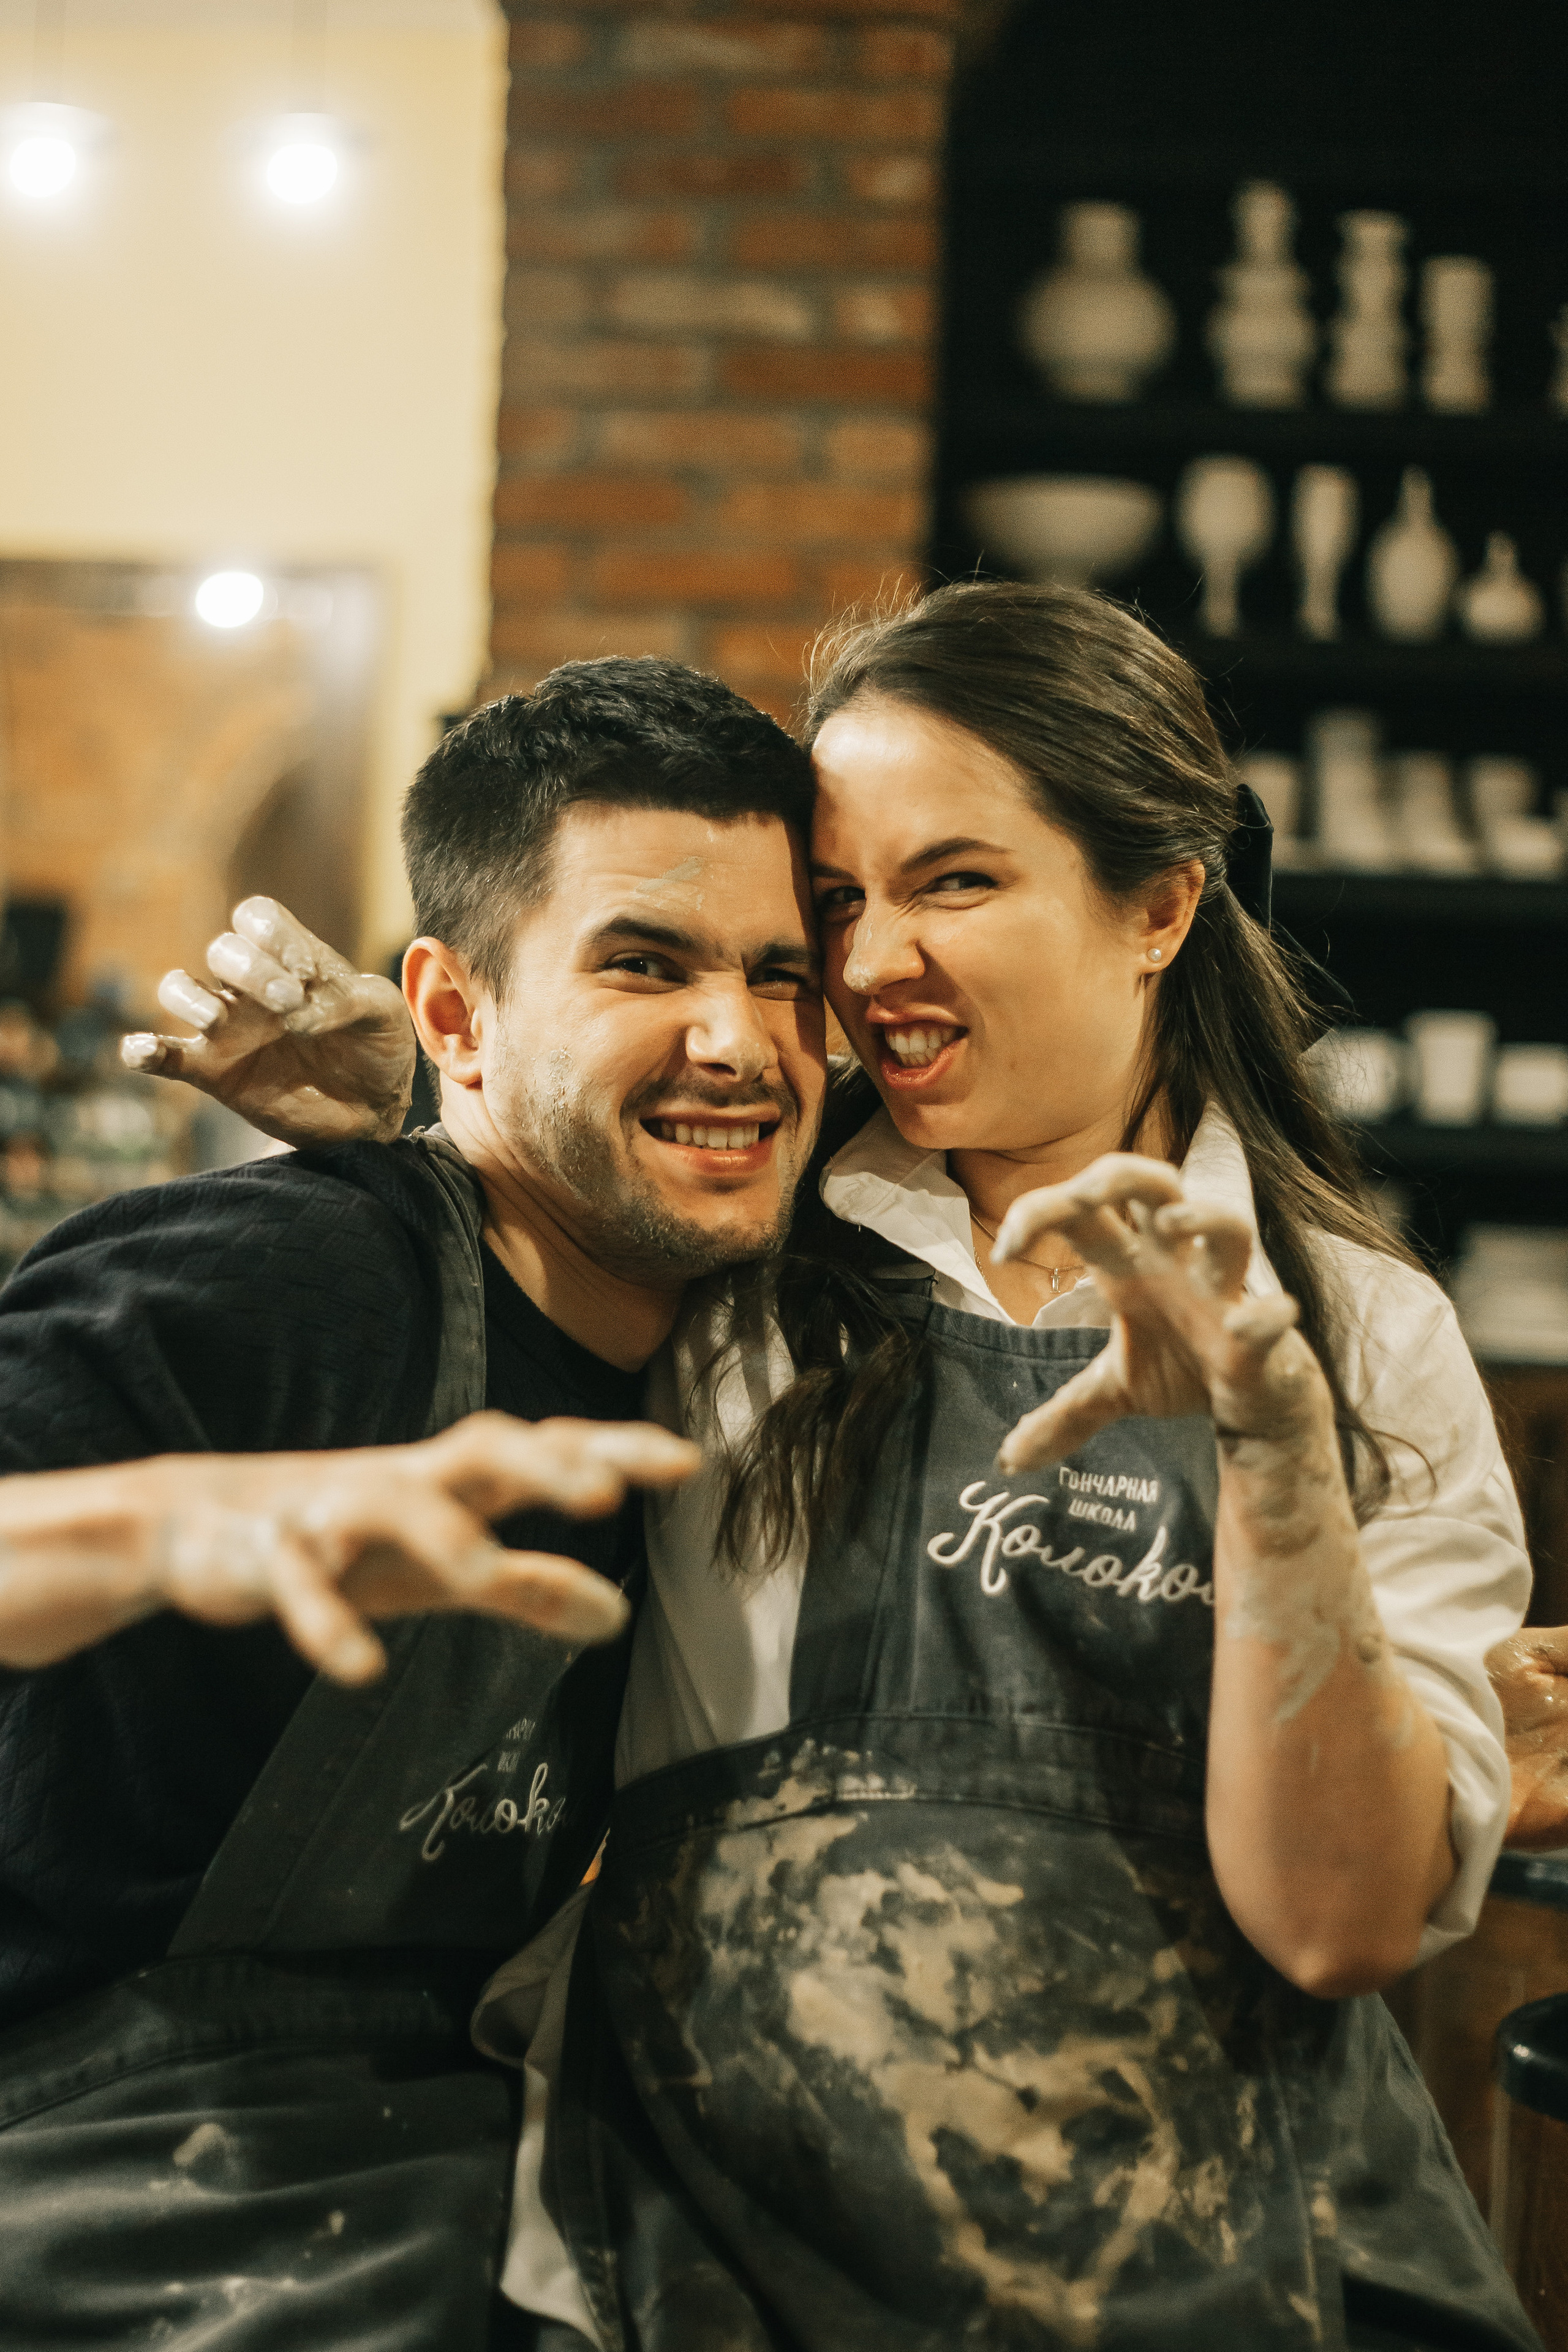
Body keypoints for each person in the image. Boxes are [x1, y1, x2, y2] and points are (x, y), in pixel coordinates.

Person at [162, 589, 1545, 2351]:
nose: (871, 963)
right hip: (733, 2261)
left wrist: (1274, 1450)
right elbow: (499, 1313)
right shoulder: (730, 1257)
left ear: (1160, 905)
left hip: (1223, 2269)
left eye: (951, 883)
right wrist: (444, 1118)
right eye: (837, 904)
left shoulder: (1361, 1334)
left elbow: (1343, 1924)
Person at [0, 660, 823, 2348]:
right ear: (453, 1013)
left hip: (435, 2188)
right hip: (86, 2185)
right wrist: (164, 1528)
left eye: (783, 974)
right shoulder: (284, 1285)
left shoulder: (752, 1352)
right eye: (645, 965)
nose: (740, 1041)